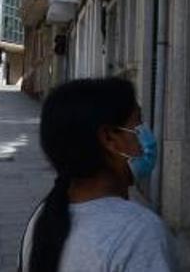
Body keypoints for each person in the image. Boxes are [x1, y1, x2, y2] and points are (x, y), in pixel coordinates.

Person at [20, 78, 171, 272]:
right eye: (138, 124)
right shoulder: (139, 232)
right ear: (110, 138)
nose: (146, 136)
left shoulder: (42, 218)